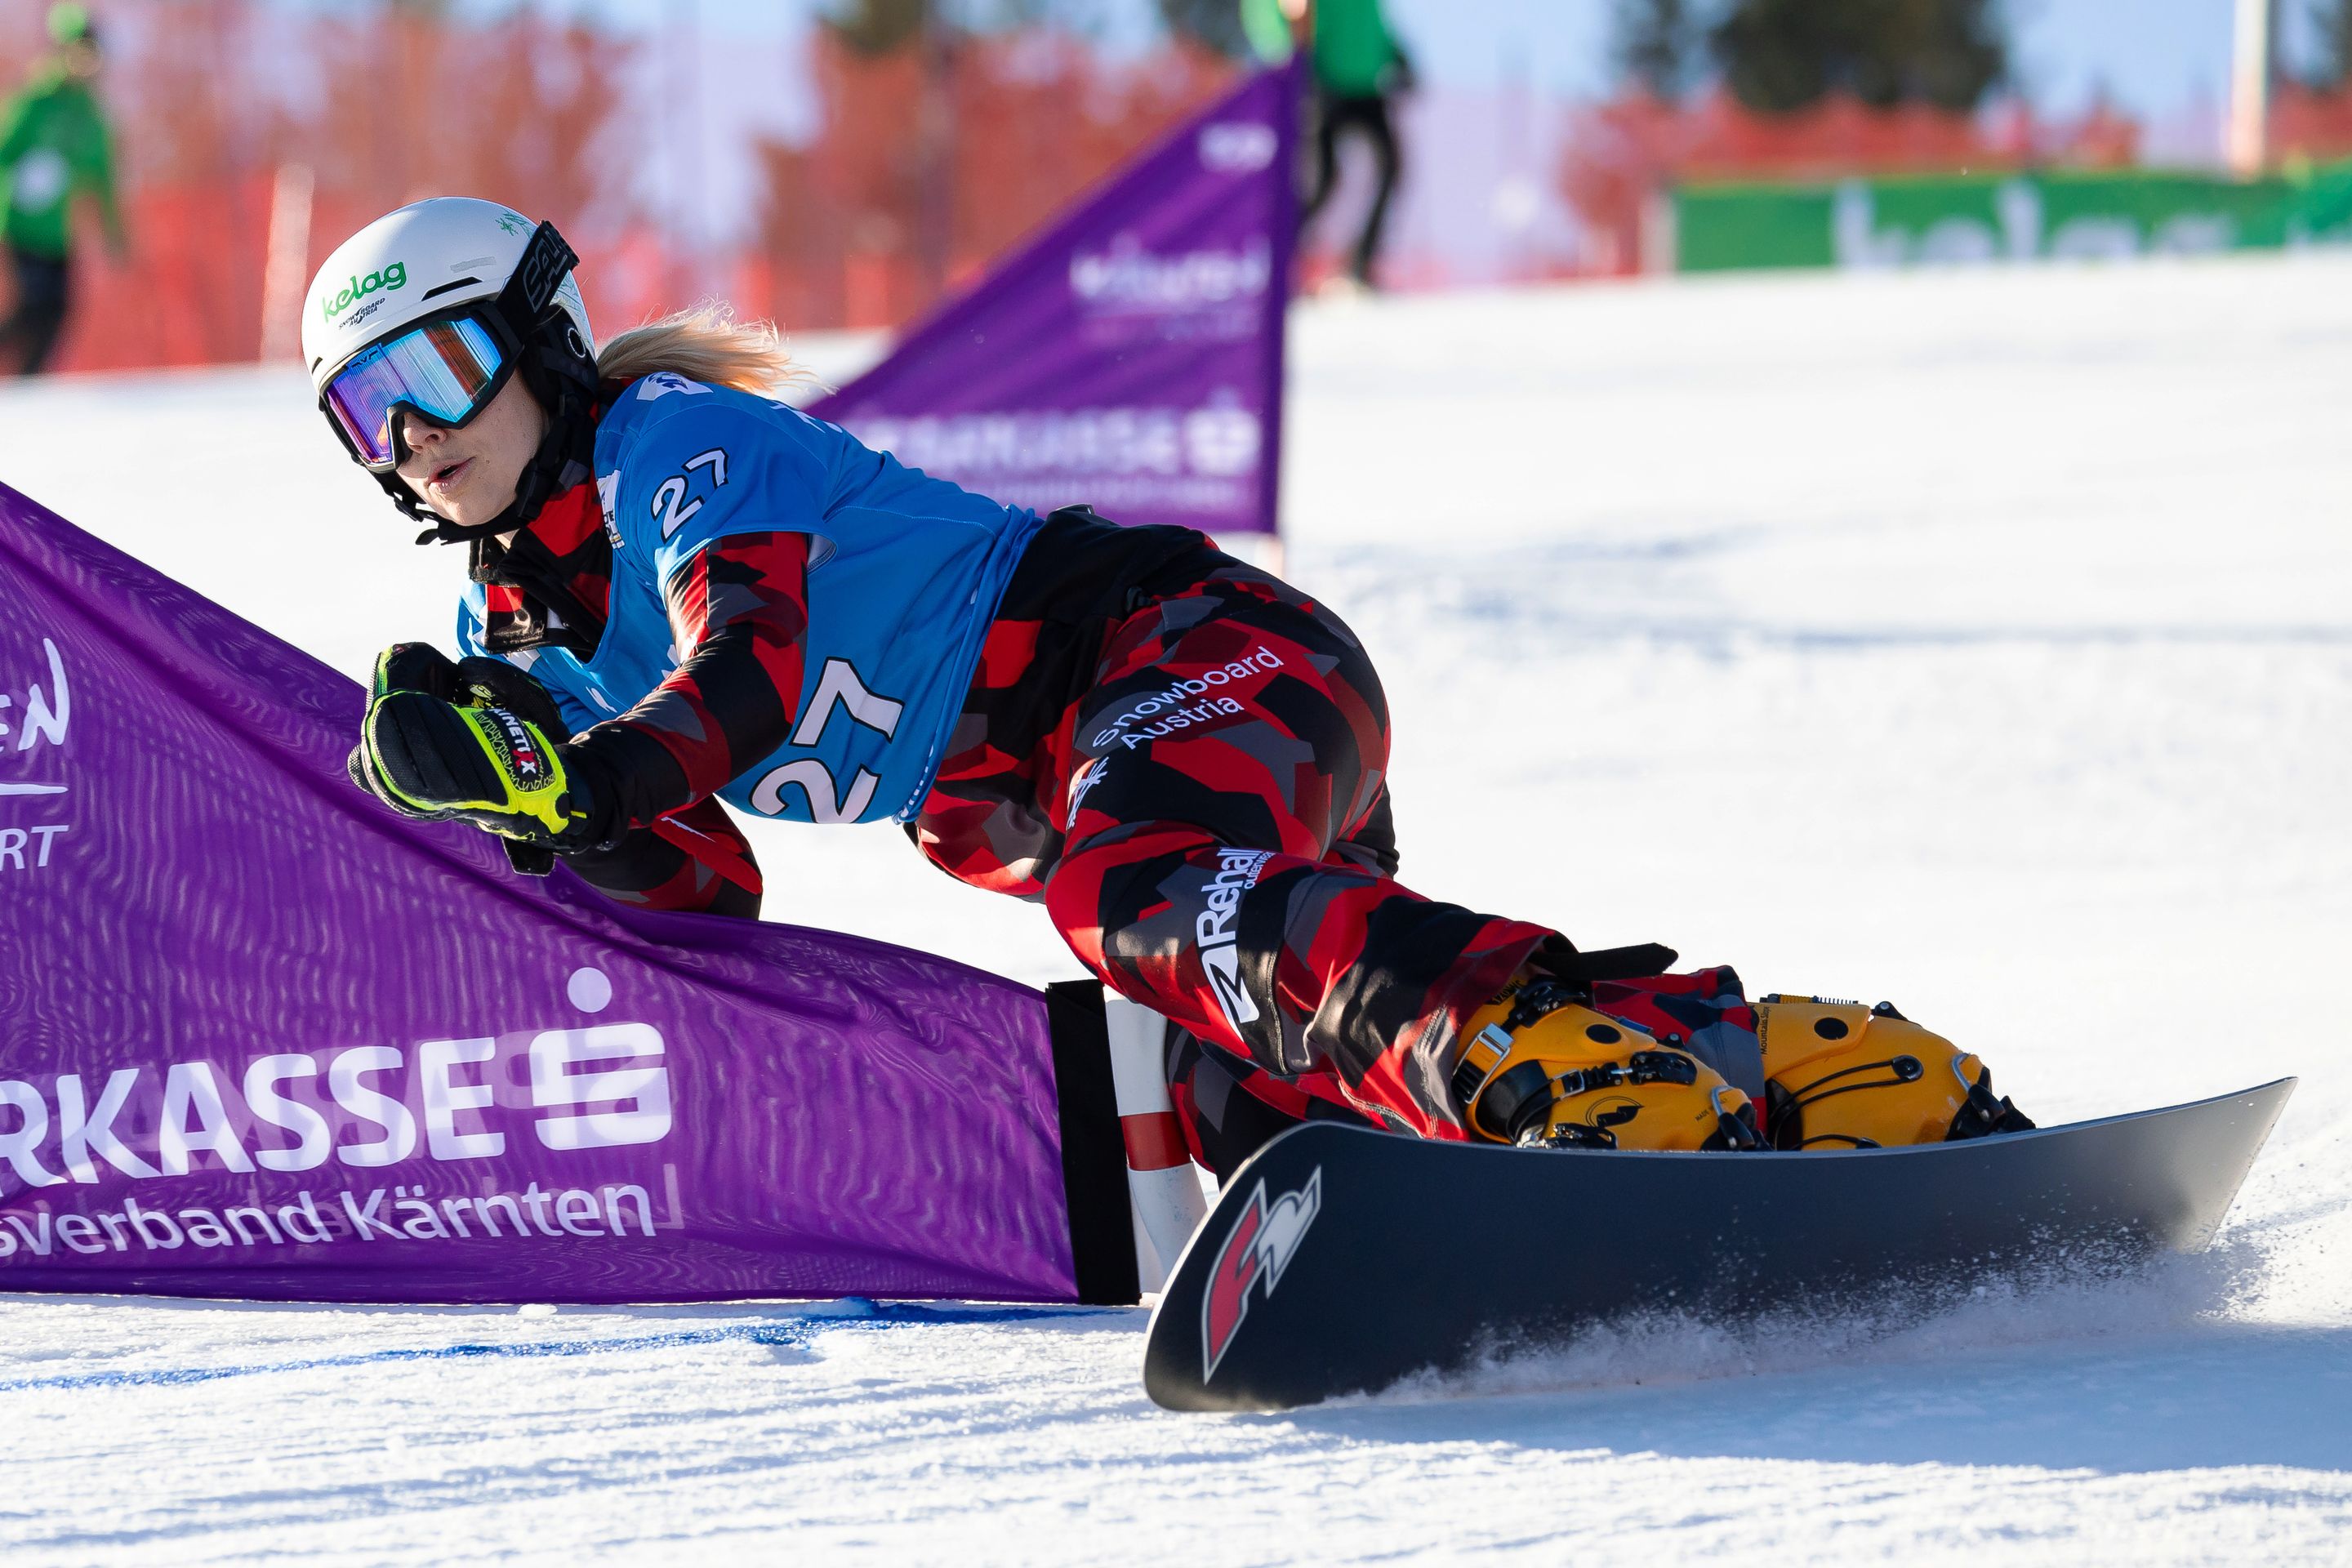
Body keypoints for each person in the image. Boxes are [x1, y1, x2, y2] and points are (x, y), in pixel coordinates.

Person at [309, 198, 2031, 1174]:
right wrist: (543, 812)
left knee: (1134, 900)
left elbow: (745, 678)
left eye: (439, 368)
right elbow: (709, 885)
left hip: (1189, 659)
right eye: (364, 415)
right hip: (1114, 788)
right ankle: (1825, 1075)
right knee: (1255, 1107)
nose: (419, 435)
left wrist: (589, 775)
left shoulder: (667, 439)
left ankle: (1569, 1076)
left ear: (536, 337)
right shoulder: (514, 633)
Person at [1250, 0, 1414, 292]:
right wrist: (1297, 65)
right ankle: (1276, 260)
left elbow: (1370, 19)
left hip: (1365, 82)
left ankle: (1361, 266)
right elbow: (1271, 19)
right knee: (1322, 180)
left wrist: (1395, 54)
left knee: (1390, 167)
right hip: (1325, 81)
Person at [0, 2, 122, 376]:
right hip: (20, 224)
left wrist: (115, 234)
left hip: (58, 232)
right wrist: (24, 170)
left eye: (94, 51)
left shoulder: (90, 115)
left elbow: (102, 179)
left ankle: (29, 386)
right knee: (34, 304)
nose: (88, 60)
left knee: (59, 310)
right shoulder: (35, 101)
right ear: (64, 50)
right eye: (81, 49)